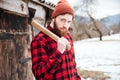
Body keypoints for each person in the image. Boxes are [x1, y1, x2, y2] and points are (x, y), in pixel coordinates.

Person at [31, 0, 81, 80]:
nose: (65, 25)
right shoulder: (40, 40)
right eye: (62, 20)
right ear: (54, 18)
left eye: (69, 22)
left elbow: (73, 67)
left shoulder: (68, 37)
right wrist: (58, 53)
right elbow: (39, 75)